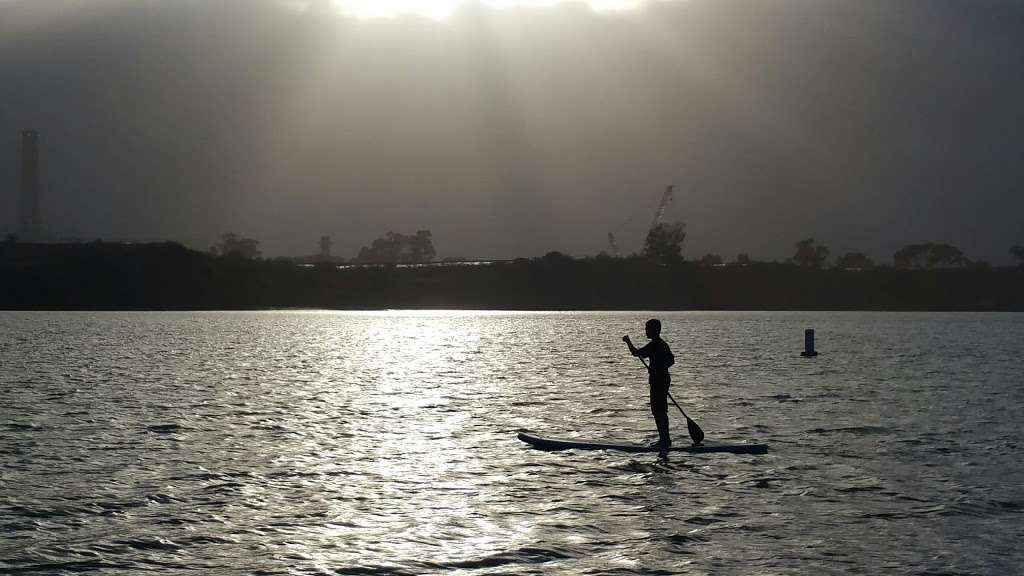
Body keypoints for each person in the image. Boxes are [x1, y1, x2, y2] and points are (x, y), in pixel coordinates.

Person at [623, 319, 675, 447]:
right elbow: (670, 361)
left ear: (655, 330)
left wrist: (628, 341)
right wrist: (659, 368)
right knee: (659, 410)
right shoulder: (660, 344)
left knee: (659, 410)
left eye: (648, 329)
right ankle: (665, 439)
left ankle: (665, 440)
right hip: (661, 379)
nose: (646, 331)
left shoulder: (656, 345)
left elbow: (636, 353)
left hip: (659, 380)